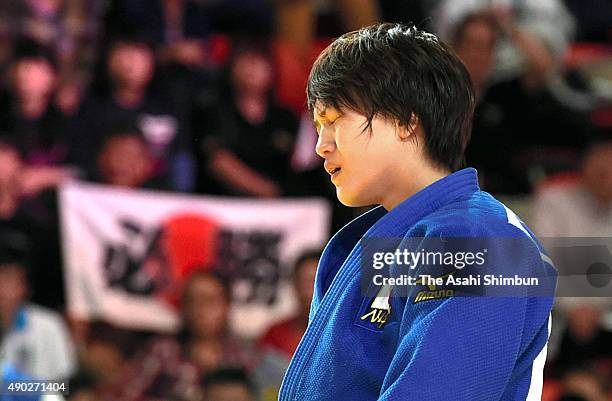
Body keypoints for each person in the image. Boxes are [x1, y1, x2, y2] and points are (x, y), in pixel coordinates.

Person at [279, 22, 556, 401]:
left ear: (407, 122)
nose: (321, 146)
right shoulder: (366, 244)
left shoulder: (477, 239)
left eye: (333, 121)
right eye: (316, 126)